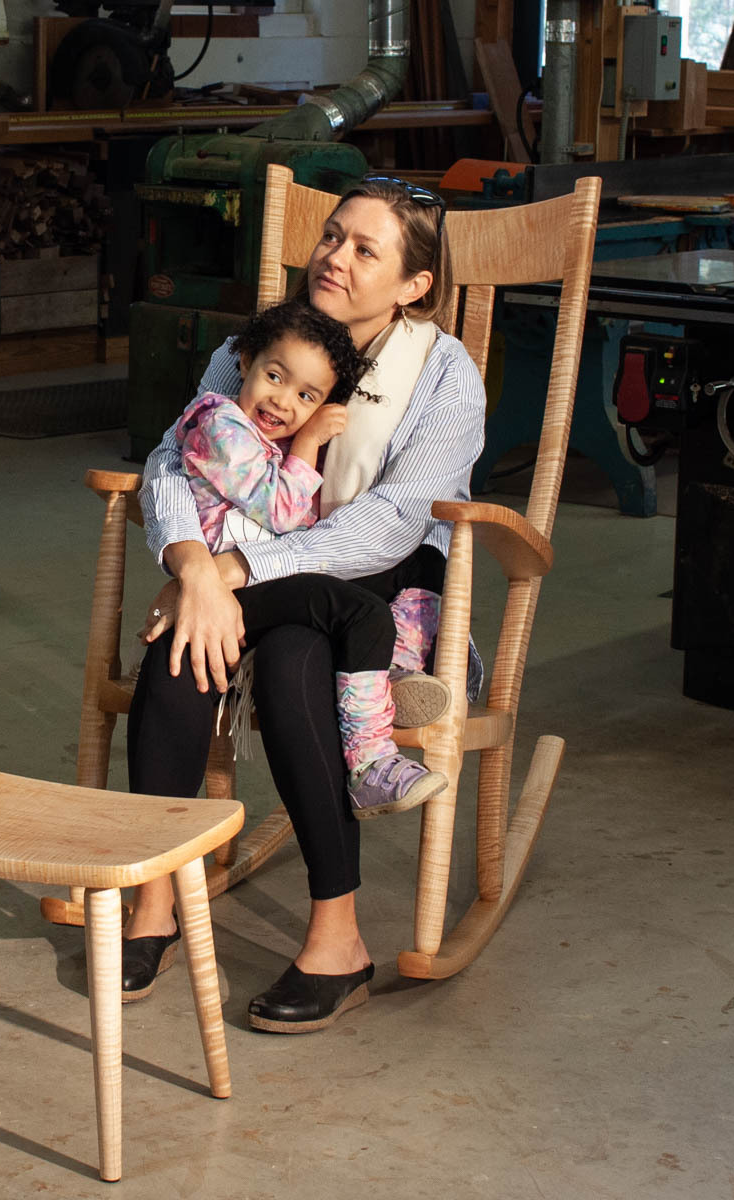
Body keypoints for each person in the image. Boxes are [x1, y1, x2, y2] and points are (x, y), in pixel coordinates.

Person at [120, 175, 486, 1032]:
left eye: (367, 250)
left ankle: (338, 940)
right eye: (331, 236)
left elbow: (396, 521)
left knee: (289, 666)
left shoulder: (443, 373)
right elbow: (174, 460)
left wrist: (234, 568)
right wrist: (191, 566)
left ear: (413, 286)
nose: (336, 257)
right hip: (252, 565)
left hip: (375, 579)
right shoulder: (263, 344)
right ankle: (151, 901)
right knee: (187, 642)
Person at [172, 297, 449, 818]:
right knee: (362, 611)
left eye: (306, 396)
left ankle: (396, 670)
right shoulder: (218, 423)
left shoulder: (261, 440)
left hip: (268, 574)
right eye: (274, 376)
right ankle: (370, 762)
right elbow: (280, 510)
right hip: (237, 587)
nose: (282, 401)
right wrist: (310, 438)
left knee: (426, 553)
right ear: (245, 361)